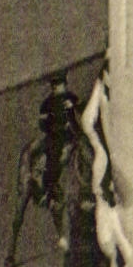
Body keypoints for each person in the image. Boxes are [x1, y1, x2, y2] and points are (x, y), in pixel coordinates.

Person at [39, 71, 81, 205]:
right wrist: (57, 127)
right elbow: (43, 125)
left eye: (62, 85)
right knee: (54, 157)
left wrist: (74, 105)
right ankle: (50, 189)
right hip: (57, 136)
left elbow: (83, 108)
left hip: (74, 132)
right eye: (56, 86)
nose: (60, 88)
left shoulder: (70, 97)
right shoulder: (47, 104)